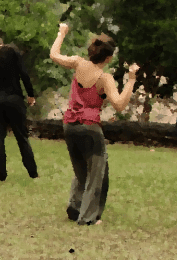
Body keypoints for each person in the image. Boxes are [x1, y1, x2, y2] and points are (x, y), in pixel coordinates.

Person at [49, 23, 139, 226]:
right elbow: (119, 104)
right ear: (108, 58)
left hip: (70, 125)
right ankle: (88, 218)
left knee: (81, 171)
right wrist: (131, 79)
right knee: (97, 173)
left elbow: (54, 54)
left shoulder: (78, 63)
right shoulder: (104, 78)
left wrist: (61, 33)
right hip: (90, 127)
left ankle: (75, 208)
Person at [0, 31, 38, 182]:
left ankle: (1, 175)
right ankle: (33, 173)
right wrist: (30, 94)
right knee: (21, 137)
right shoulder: (12, 51)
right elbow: (23, 73)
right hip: (14, 99)